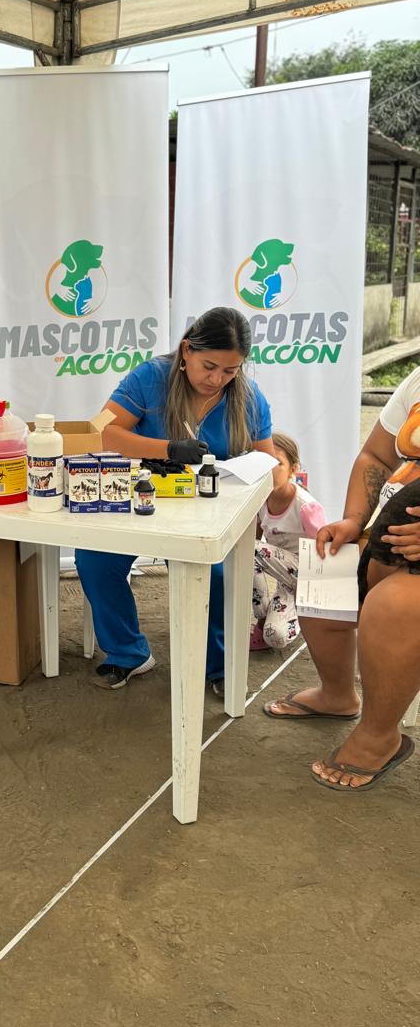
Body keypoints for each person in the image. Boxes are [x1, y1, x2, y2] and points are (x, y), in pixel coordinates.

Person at [76, 307, 275, 693]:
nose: (216, 380)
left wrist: (274, 482)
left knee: (215, 576)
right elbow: (103, 433)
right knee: (94, 560)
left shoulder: (249, 398)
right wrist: (167, 448)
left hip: (207, 515)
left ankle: (217, 663)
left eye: (230, 371)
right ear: (186, 350)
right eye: (209, 366)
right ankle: (127, 652)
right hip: (140, 501)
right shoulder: (149, 377)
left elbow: (269, 460)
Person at [263, 363, 420, 791]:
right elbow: (377, 457)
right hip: (388, 544)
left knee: (391, 607)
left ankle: (379, 735)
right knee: (323, 572)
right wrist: (353, 520)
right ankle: (337, 695)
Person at [251, 432, 326, 651]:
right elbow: (254, 542)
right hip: (287, 583)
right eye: (263, 463)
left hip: (310, 577)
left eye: (277, 463)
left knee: (248, 549)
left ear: (293, 469)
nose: (269, 470)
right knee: (274, 637)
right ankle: (273, 617)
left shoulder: (306, 507)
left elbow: (327, 553)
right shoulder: (259, 500)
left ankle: (298, 614)